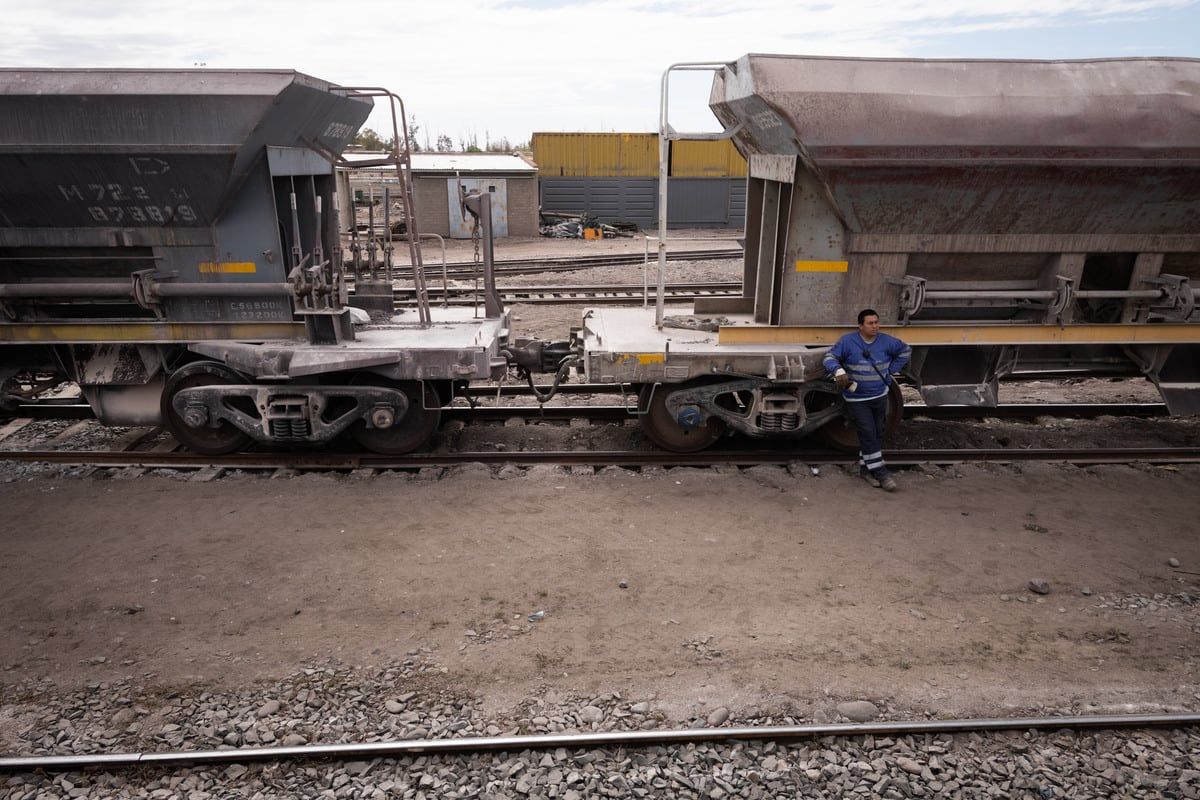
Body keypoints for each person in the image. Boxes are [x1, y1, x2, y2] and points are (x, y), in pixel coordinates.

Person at [822, 309, 911, 491]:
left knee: (877, 433)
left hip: (880, 395)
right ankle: (881, 473)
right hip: (857, 399)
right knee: (868, 433)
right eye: (870, 323)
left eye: (877, 322)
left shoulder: (887, 341)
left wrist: (891, 370)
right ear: (860, 326)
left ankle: (866, 471)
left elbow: (906, 350)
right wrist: (838, 370)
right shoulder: (848, 342)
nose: (875, 326)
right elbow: (829, 357)